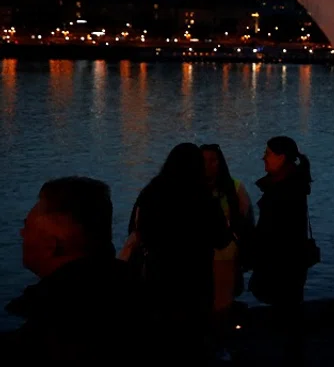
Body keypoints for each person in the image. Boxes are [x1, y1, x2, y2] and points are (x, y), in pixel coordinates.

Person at [5, 177, 154, 365]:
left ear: (52, 245)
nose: (21, 234)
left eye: (27, 226)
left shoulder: (57, 325)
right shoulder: (140, 293)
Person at [127, 143, 232, 357]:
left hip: (157, 278)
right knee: (192, 340)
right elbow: (221, 240)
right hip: (195, 279)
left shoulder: (150, 195)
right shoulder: (204, 200)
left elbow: (135, 230)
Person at [249, 136, 315, 365]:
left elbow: (273, 229)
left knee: (287, 312)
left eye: (267, 153)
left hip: (283, 262)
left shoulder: (284, 190)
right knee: (291, 310)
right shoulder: (294, 185)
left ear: (281, 157)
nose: (263, 158)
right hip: (291, 261)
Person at [200, 143, 255, 361]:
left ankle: (219, 345)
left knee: (222, 306)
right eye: (204, 161)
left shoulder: (235, 188)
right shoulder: (193, 190)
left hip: (225, 258)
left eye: (213, 160)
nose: (209, 166)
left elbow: (247, 223)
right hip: (201, 258)